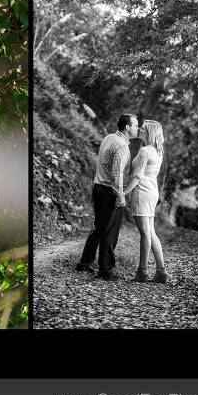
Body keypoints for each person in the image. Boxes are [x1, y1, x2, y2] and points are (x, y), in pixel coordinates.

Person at [76, 114, 139, 280]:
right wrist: (120, 196)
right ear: (127, 127)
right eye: (135, 125)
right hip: (109, 191)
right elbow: (116, 174)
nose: (137, 128)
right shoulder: (122, 146)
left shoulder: (109, 138)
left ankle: (84, 264)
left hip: (98, 188)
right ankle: (105, 271)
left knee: (99, 228)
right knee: (110, 232)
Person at [123, 120, 168, 283]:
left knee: (145, 233)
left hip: (142, 190)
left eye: (143, 128)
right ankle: (161, 271)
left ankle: (142, 271)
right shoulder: (158, 151)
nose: (140, 129)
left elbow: (137, 176)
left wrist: (123, 193)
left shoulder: (145, 151)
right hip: (152, 190)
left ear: (149, 133)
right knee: (150, 231)